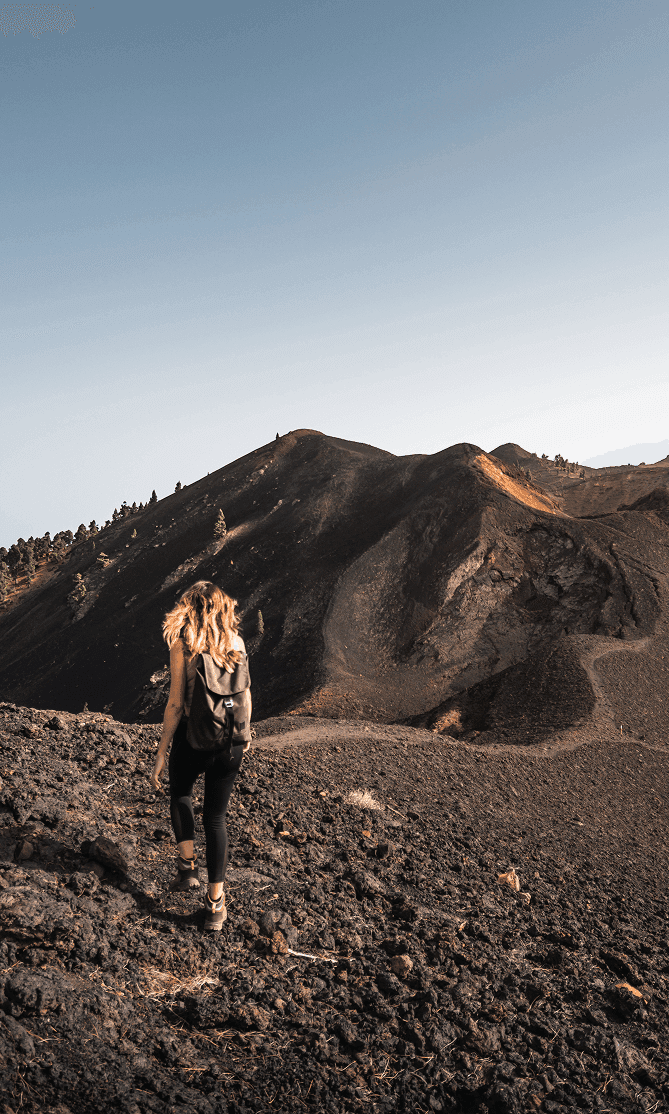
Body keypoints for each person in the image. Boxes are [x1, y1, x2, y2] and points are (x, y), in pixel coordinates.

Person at [150, 581, 251, 931]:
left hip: (194, 739)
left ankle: (187, 868)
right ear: (223, 608)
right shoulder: (237, 644)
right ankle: (216, 906)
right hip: (231, 743)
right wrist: (243, 738)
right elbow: (244, 693)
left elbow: (176, 702)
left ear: (190, 608)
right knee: (217, 818)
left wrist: (162, 750)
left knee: (180, 793)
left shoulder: (185, 645)